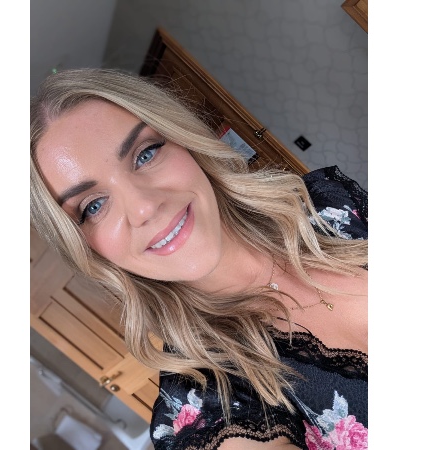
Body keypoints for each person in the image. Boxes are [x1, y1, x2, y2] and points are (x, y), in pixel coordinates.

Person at [30, 68, 368, 450]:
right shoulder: (202, 397)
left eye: (145, 154)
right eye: (93, 206)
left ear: (184, 140)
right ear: (86, 248)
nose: (144, 208)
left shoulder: (326, 204)